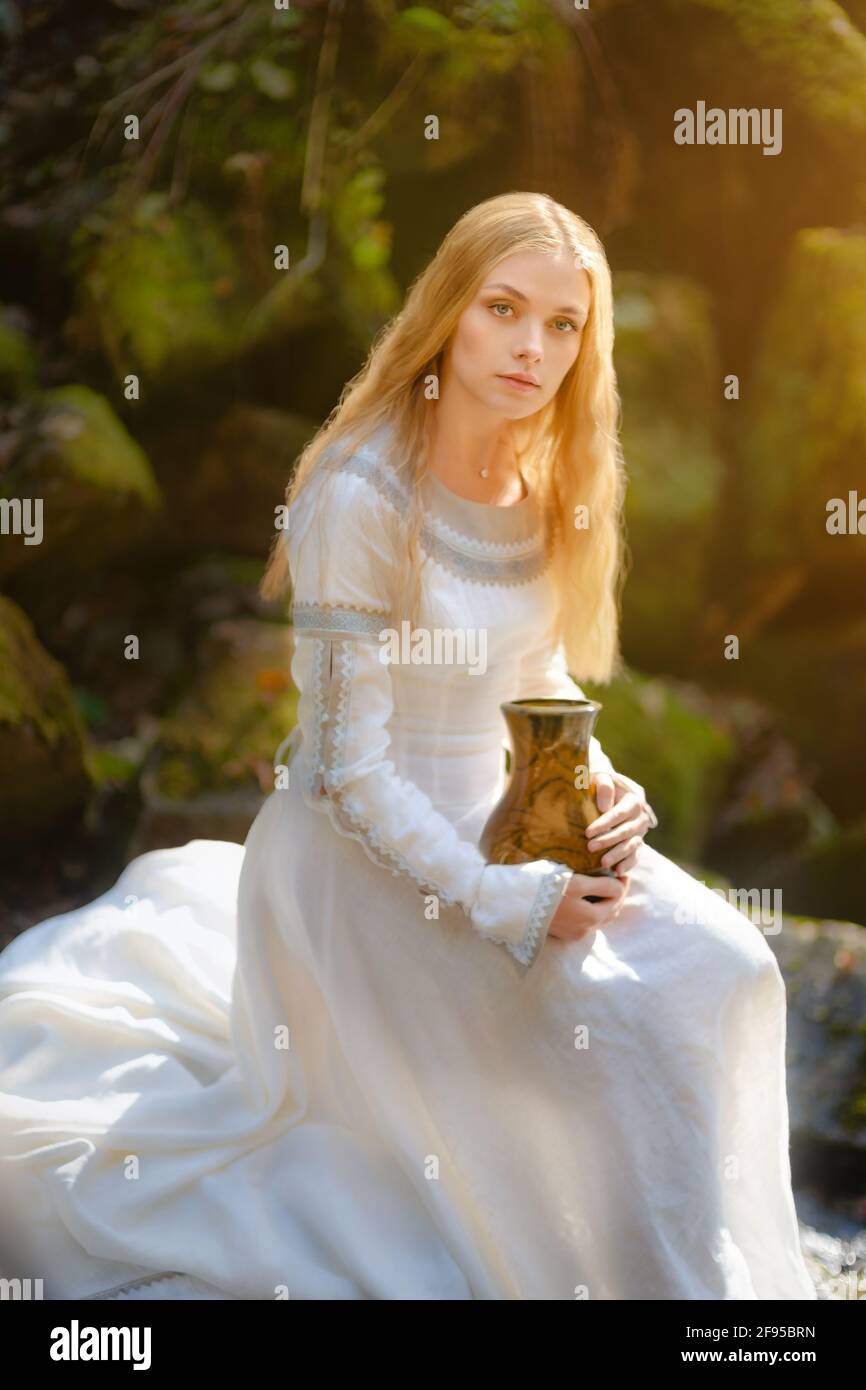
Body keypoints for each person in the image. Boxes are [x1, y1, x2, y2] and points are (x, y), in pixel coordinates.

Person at [0, 192, 816, 1301]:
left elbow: (530, 676)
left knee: (725, 963)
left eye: (563, 325)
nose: (532, 347)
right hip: (370, 872)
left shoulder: (546, 478)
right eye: (503, 309)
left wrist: (599, 785)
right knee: (613, 1020)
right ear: (448, 313)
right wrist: (503, 904)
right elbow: (343, 773)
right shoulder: (358, 493)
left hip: (507, 821)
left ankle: (685, 1282)